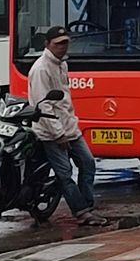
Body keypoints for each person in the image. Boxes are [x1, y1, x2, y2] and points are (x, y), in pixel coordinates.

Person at [28, 27, 109, 226]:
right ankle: (82, 213)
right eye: (58, 44)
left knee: (88, 163)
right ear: (47, 45)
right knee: (65, 174)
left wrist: (69, 127)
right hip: (51, 133)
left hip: (70, 128)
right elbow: (43, 106)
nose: (62, 47)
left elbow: (63, 101)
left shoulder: (62, 64)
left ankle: (87, 206)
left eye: (65, 43)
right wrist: (58, 134)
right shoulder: (41, 69)